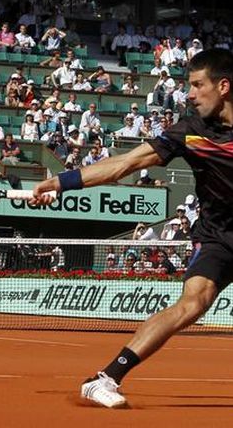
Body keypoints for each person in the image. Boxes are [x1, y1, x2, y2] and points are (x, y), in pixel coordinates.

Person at [32, 49, 233, 408]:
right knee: (193, 303)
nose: (189, 93)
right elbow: (126, 163)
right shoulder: (190, 131)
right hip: (219, 237)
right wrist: (61, 182)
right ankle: (105, 378)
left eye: (197, 85)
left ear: (224, 86)